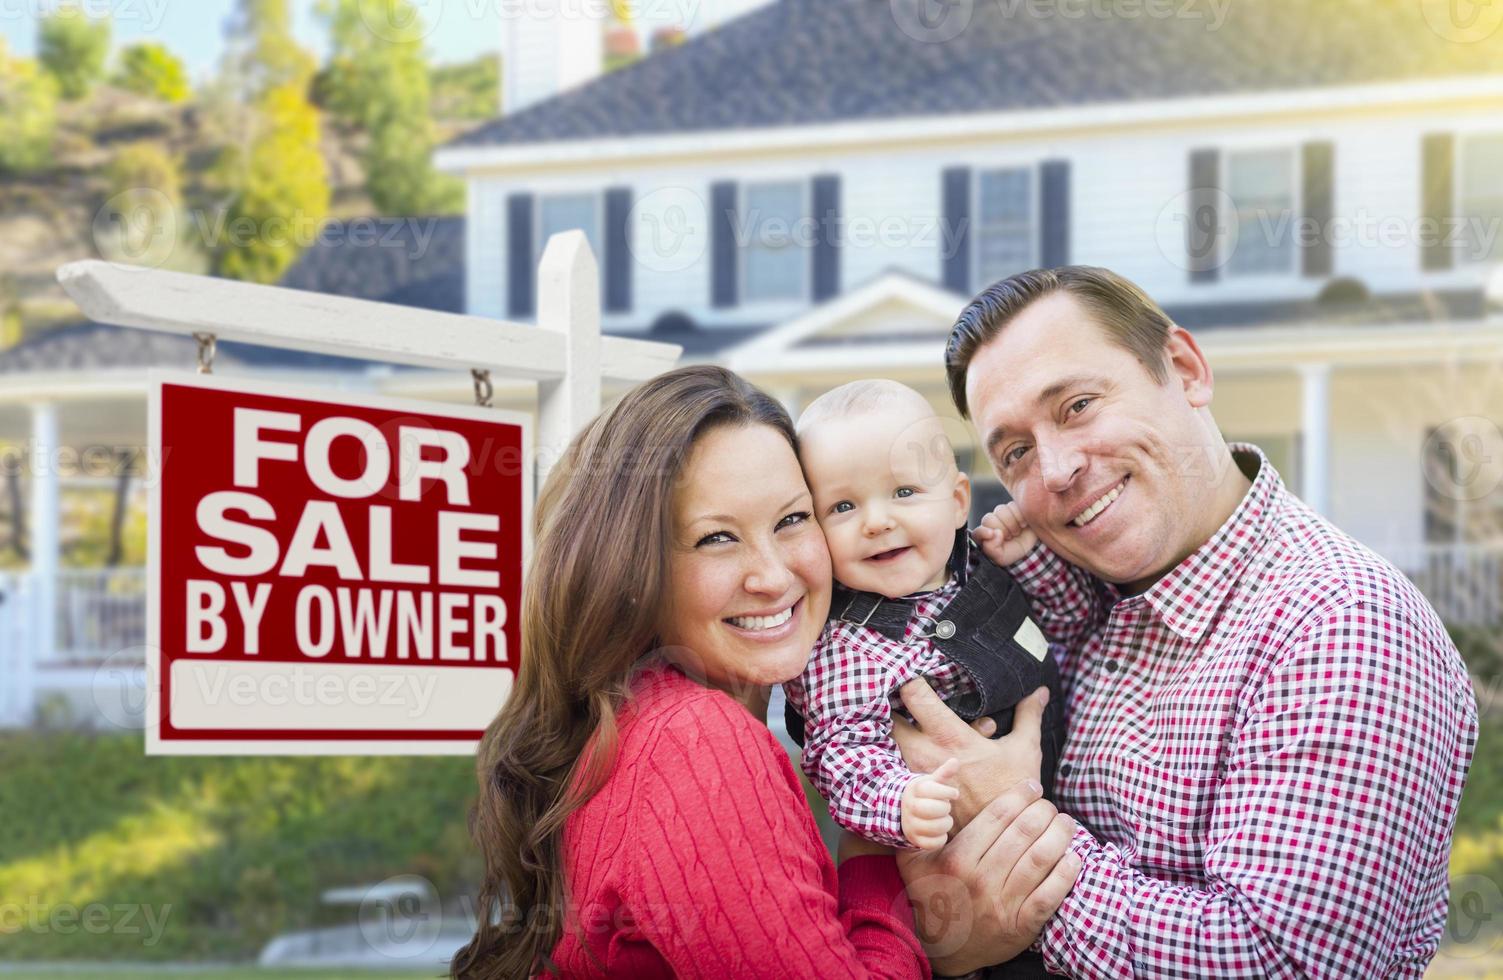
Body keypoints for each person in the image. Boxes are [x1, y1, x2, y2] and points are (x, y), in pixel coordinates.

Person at [893, 266, 1479, 977]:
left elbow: (1280, 964)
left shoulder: (1340, 623)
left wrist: (1011, 836)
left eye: (1076, 405)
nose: (1053, 470)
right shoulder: (1072, 599)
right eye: (1014, 451)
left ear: (1184, 368)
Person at [449, 365, 1081, 979]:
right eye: (715, 539)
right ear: (630, 570)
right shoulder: (697, 743)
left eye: (790, 520)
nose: (774, 576)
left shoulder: (638, 717)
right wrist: (884, 873)